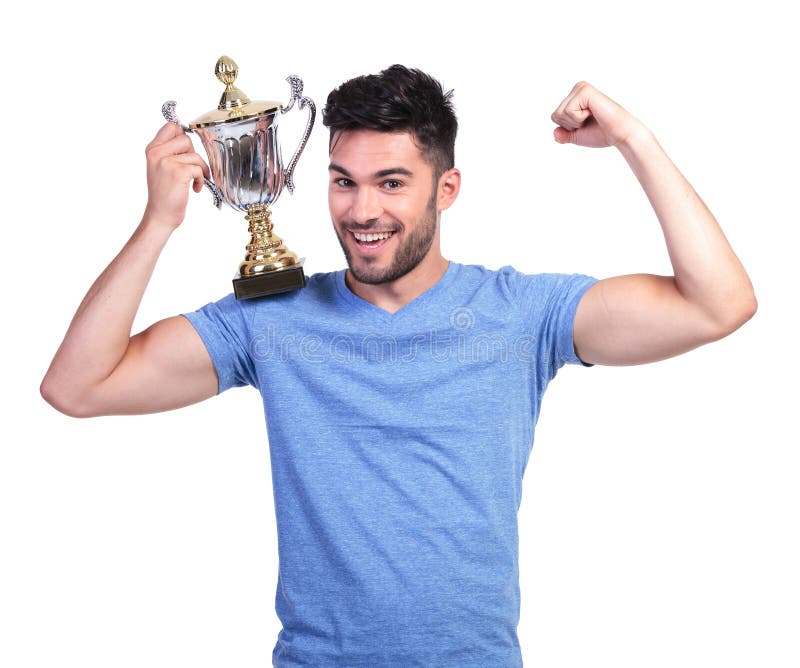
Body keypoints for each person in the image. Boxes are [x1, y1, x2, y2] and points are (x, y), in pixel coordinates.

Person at [41, 65, 756, 666]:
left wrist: (635, 138)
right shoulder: (271, 319)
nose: (361, 210)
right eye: (342, 181)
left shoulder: (520, 313)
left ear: (445, 191)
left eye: (390, 183)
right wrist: (158, 221)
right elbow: (77, 387)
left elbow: (717, 305)